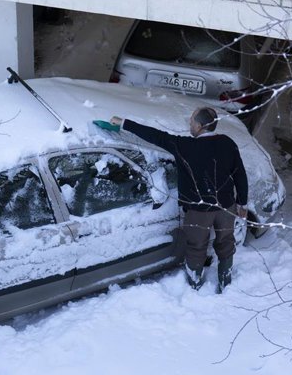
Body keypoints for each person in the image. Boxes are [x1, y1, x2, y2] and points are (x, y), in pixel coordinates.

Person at [94, 107, 248, 292]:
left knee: (196, 247)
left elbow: (156, 136)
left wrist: (124, 123)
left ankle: (195, 285)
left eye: (191, 122)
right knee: (226, 242)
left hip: (198, 211)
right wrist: (242, 202)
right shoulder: (227, 143)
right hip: (226, 207)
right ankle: (226, 282)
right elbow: (240, 174)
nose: (190, 125)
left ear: (199, 126)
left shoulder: (185, 146)